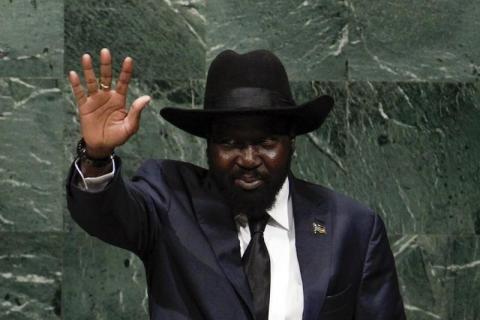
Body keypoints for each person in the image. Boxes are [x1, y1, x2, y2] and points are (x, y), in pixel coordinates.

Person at [65, 48, 406, 320]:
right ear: (209, 146)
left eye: (266, 142)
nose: (247, 158)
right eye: (229, 143)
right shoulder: (169, 200)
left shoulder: (352, 228)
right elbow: (105, 213)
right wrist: (96, 155)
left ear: (292, 142)